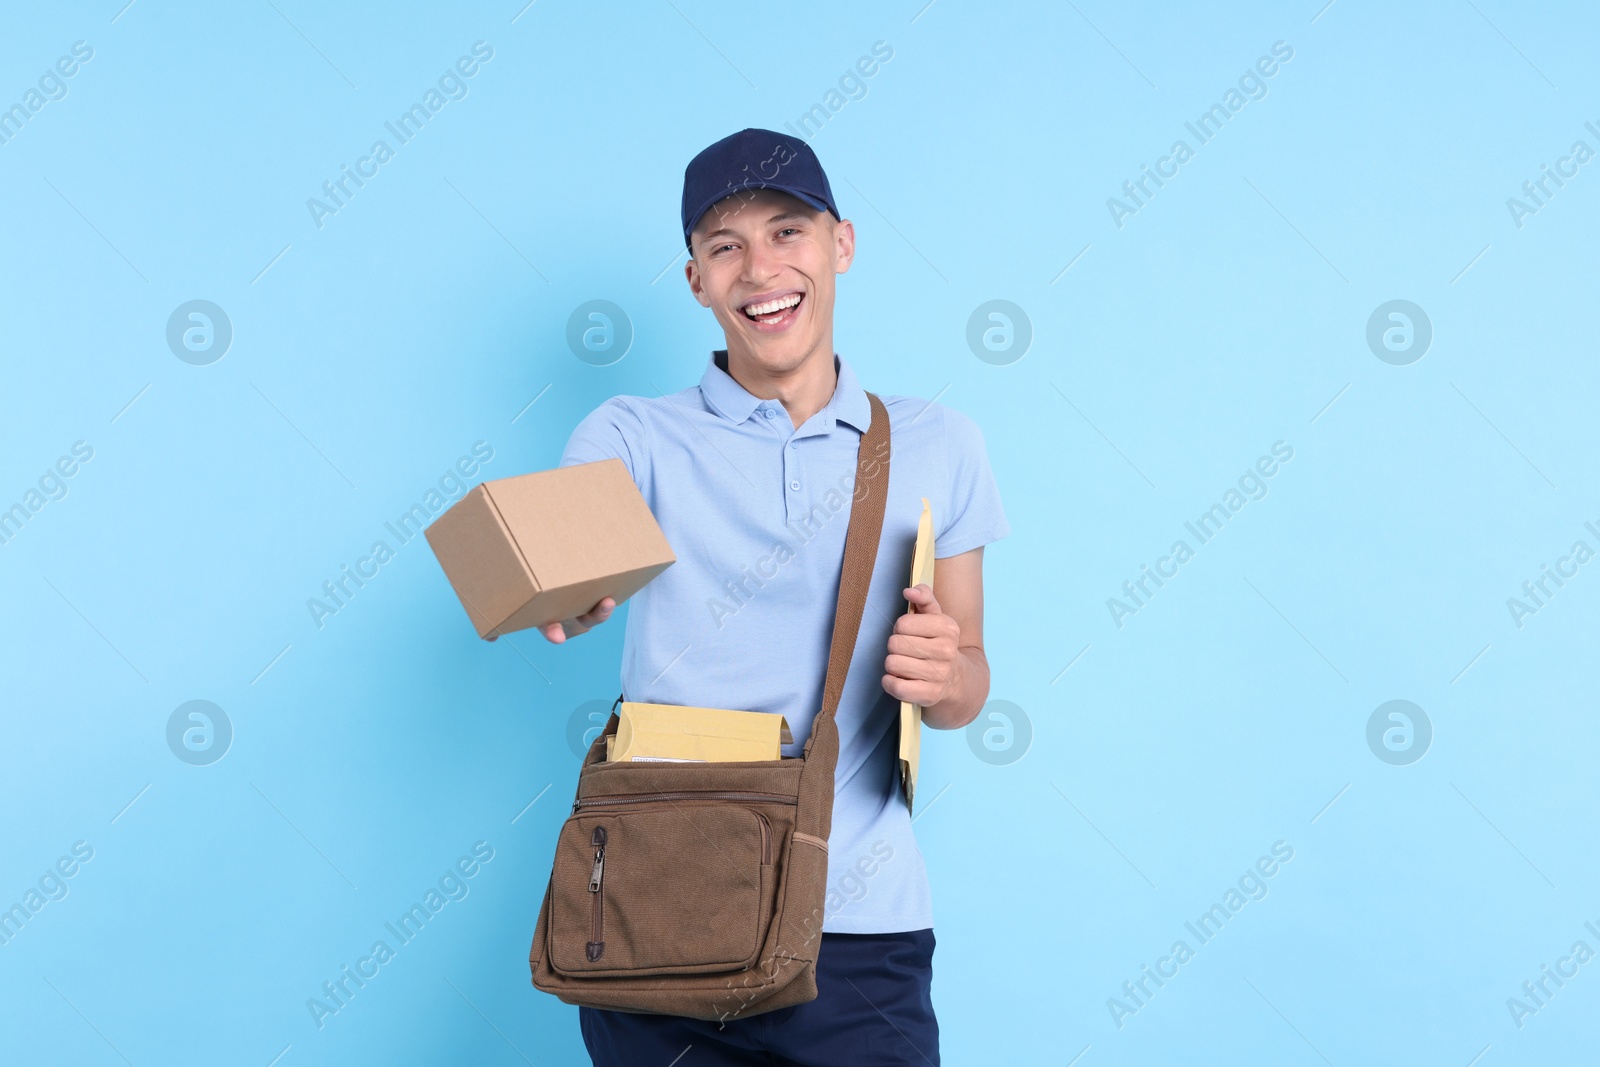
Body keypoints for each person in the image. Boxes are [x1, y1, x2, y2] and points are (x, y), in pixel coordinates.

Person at [541, 128, 1009, 1066]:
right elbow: (567, 545)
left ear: (840, 244)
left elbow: (968, 685)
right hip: (659, 915)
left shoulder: (940, 442)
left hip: (861, 929)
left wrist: (944, 672)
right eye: (725, 247)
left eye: (787, 232)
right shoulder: (633, 434)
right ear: (697, 283)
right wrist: (569, 579)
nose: (760, 268)